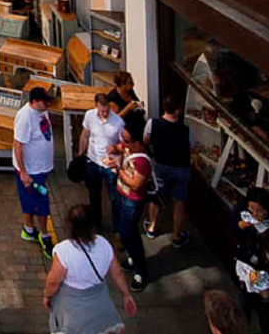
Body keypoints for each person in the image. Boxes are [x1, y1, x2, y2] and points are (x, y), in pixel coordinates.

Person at [43, 204, 138, 334]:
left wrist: (47, 296)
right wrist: (126, 294)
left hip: (71, 305)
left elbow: (53, 282)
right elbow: (117, 273)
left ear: (70, 226)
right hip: (99, 303)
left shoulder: (63, 251)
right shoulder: (104, 244)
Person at [144, 95, 195, 248]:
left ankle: (152, 227)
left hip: (160, 165)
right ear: (178, 111)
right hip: (181, 167)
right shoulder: (186, 130)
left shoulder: (152, 123)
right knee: (179, 201)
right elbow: (191, 148)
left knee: (156, 196)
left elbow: (146, 140)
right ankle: (176, 236)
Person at [13, 86, 55, 258]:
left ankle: (28, 229)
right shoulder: (25, 117)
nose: (48, 105)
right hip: (31, 171)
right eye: (45, 102)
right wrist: (23, 172)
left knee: (29, 200)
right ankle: (44, 235)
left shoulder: (42, 111)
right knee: (41, 204)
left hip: (41, 168)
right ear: (35, 101)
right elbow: (18, 145)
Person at [110, 119, 152, 291]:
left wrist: (118, 169)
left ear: (138, 142)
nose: (124, 144)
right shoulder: (129, 147)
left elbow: (136, 184)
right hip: (121, 195)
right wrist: (113, 149)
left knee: (128, 235)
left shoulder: (142, 162)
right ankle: (133, 258)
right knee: (128, 232)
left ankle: (141, 270)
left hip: (132, 201)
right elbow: (118, 148)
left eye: (127, 141)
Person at [78, 93, 125, 233]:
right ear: (96, 106)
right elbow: (85, 134)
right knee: (94, 194)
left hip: (110, 164)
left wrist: (117, 157)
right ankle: (96, 224)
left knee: (114, 197)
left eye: (107, 110)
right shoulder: (89, 116)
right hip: (93, 161)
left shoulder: (118, 122)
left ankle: (117, 228)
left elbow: (124, 144)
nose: (105, 113)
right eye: (102, 110)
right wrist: (81, 153)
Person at [231, 187, 269, 268]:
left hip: (264, 258)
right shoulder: (241, 208)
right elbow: (232, 230)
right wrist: (242, 225)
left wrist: (266, 231)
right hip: (244, 252)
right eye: (251, 208)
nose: (255, 213)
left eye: (260, 210)